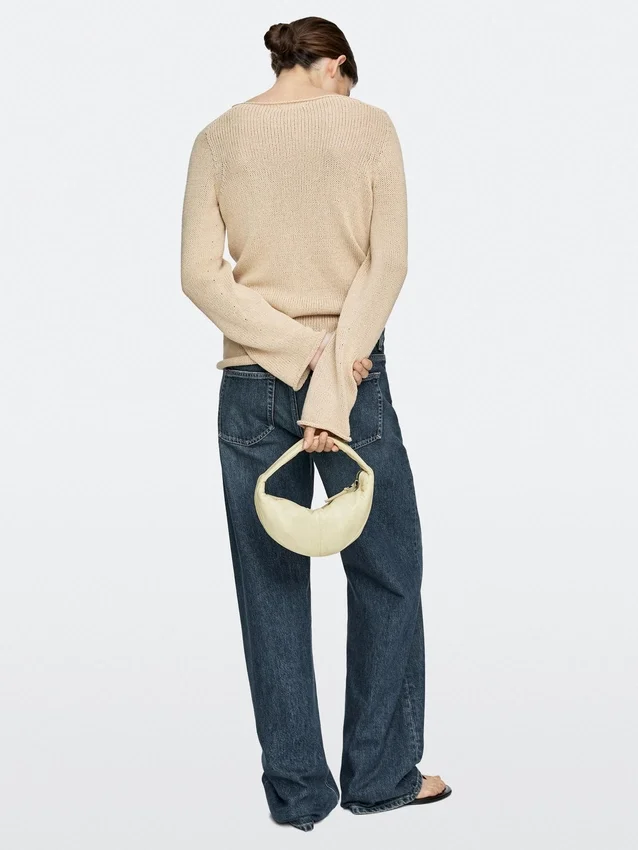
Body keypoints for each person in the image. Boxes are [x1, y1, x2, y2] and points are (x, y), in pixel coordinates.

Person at [180, 15, 451, 831]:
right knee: (388, 571)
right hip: (353, 371)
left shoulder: (216, 138)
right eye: (346, 81)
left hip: (252, 378)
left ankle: (299, 796)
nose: (346, 95)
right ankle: (382, 775)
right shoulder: (369, 128)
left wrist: (294, 355)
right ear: (334, 64)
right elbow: (387, 262)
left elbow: (199, 276)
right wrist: (329, 371)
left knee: (269, 589)